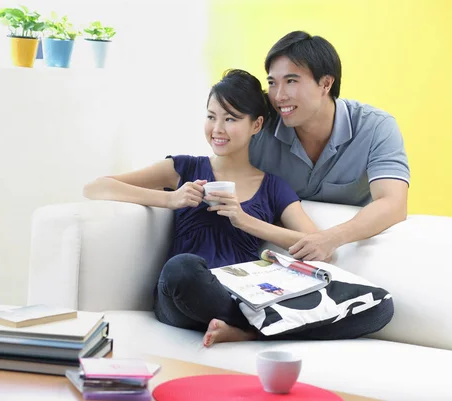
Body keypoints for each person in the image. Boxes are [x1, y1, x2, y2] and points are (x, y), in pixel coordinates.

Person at [83, 70, 393, 346]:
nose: (217, 128)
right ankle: (258, 328)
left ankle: (247, 328)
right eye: (211, 116)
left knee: (379, 308)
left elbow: (324, 250)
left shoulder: (274, 187)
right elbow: (96, 187)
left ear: (256, 124)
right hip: (183, 296)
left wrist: (244, 220)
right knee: (182, 268)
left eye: (230, 118)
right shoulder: (184, 167)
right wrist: (171, 198)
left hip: (243, 296)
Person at [249, 31, 410, 262]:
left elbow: (393, 203)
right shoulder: (259, 127)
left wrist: (329, 239)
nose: (279, 96)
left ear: (325, 83)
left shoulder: (376, 127)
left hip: (349, 255)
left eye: (291, 81)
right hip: (270, 256)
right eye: (273, 83)